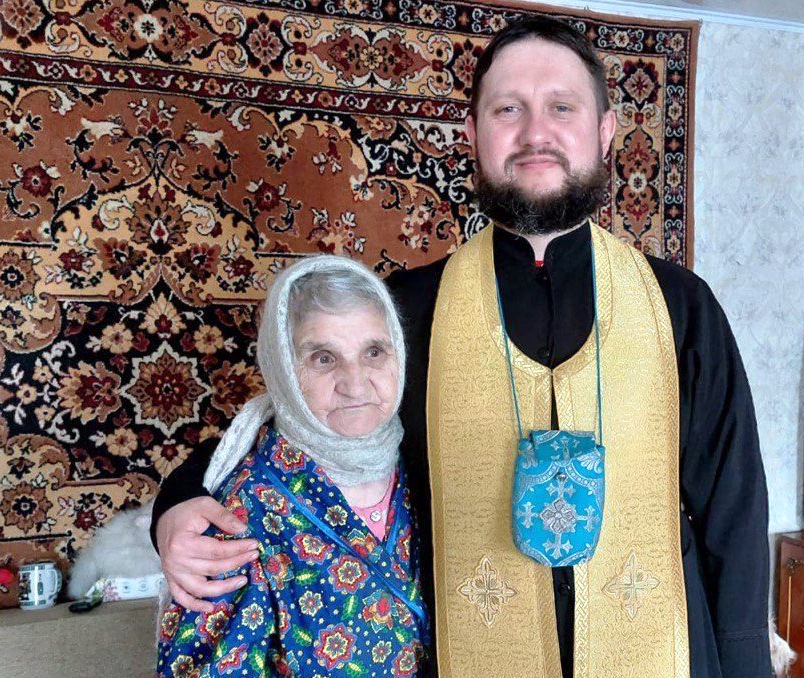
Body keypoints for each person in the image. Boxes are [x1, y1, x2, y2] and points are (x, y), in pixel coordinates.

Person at [154, 15, 771, 678]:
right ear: (473, 134)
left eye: (562, 107)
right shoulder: (406, 308)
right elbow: (295, 422)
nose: (536, 133)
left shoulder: (680, 306)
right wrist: (177, 504)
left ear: (604, 130)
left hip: (667, 652)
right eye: (508, 109)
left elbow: (734, 513)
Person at [156, 256, 429, 677]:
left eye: (374, 352)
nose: (355, 383)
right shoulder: (242, 518)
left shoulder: (423, 463)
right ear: (283, 367)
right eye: (323, 358)